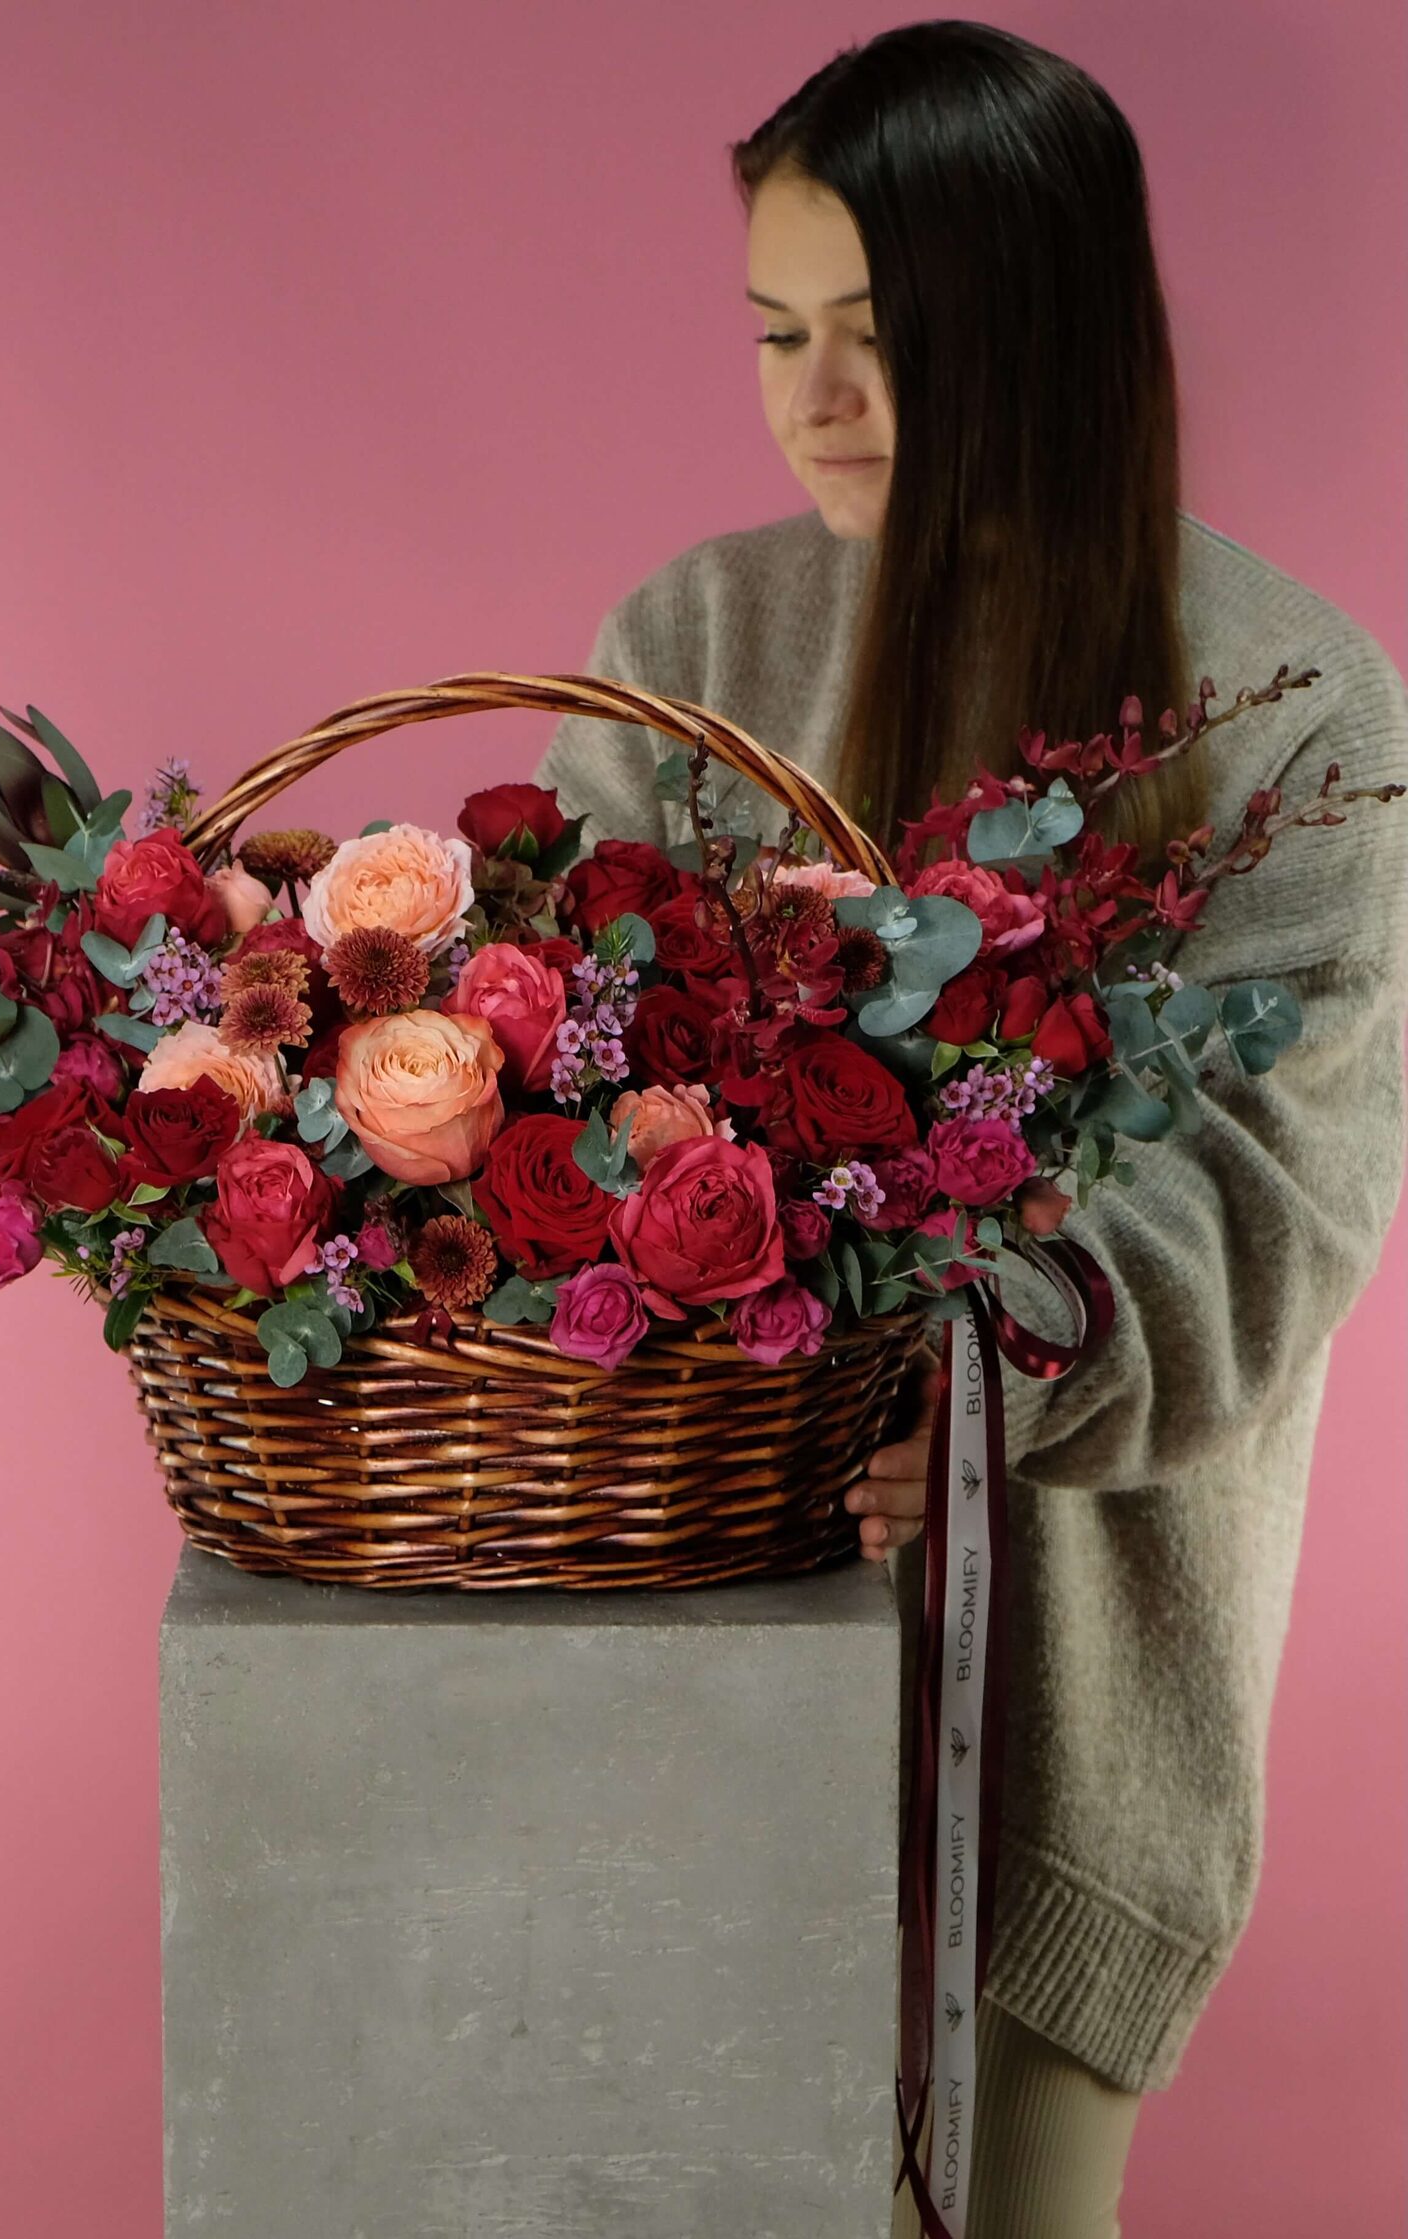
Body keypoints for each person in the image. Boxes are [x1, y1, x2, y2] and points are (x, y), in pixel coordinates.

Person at [528, 22, 1408, 2238]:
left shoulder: (1289, 708)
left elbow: (1278, 1197)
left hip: (1073, 1707)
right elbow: (567, 1090)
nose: (819, 396)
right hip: (685, 1654)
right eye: (779, 333)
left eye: (884, 334)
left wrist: (1011, 1353)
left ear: (1048, 327)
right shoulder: (690, 643)